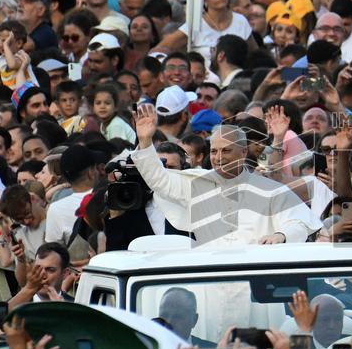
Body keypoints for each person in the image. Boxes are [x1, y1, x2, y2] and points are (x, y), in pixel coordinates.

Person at [132, 103, 320, 245]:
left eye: (227, 151)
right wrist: (145, 141)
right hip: (212, 276)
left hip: (253, 275)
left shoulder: (269, 189)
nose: (219, 157)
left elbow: (299, 222)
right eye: (214, 151)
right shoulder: (197, 183)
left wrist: (281, 235)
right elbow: (158, 179)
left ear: (244, 152)